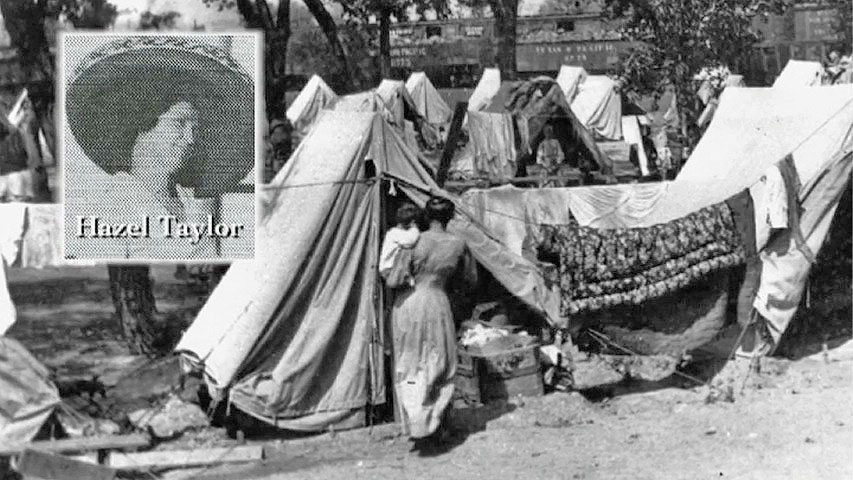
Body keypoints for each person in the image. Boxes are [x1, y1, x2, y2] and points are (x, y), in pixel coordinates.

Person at [63, 35, 254, 260]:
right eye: (179, 123)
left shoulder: (193, 203)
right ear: (143, 121)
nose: (191, 138)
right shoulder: (108, 207)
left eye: (195, 127)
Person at [383, 196, 477, 448]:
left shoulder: (414, 242)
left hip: (410, 304)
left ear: (426, 215)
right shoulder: (459, 244)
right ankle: (437, 422)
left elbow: (393, 280)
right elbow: (469, 281)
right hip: (438, 302)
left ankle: (417, 423)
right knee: (440, 360)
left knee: (411, 361)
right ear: (451, 217)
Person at [379, 203, 421, 288]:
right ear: (412, 222)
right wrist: (415, 228)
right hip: (391, 269)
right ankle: (408, 279)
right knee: (407, 251)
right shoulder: (395, 233)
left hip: (391, 268)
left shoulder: (395, 233)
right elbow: (410, 241)